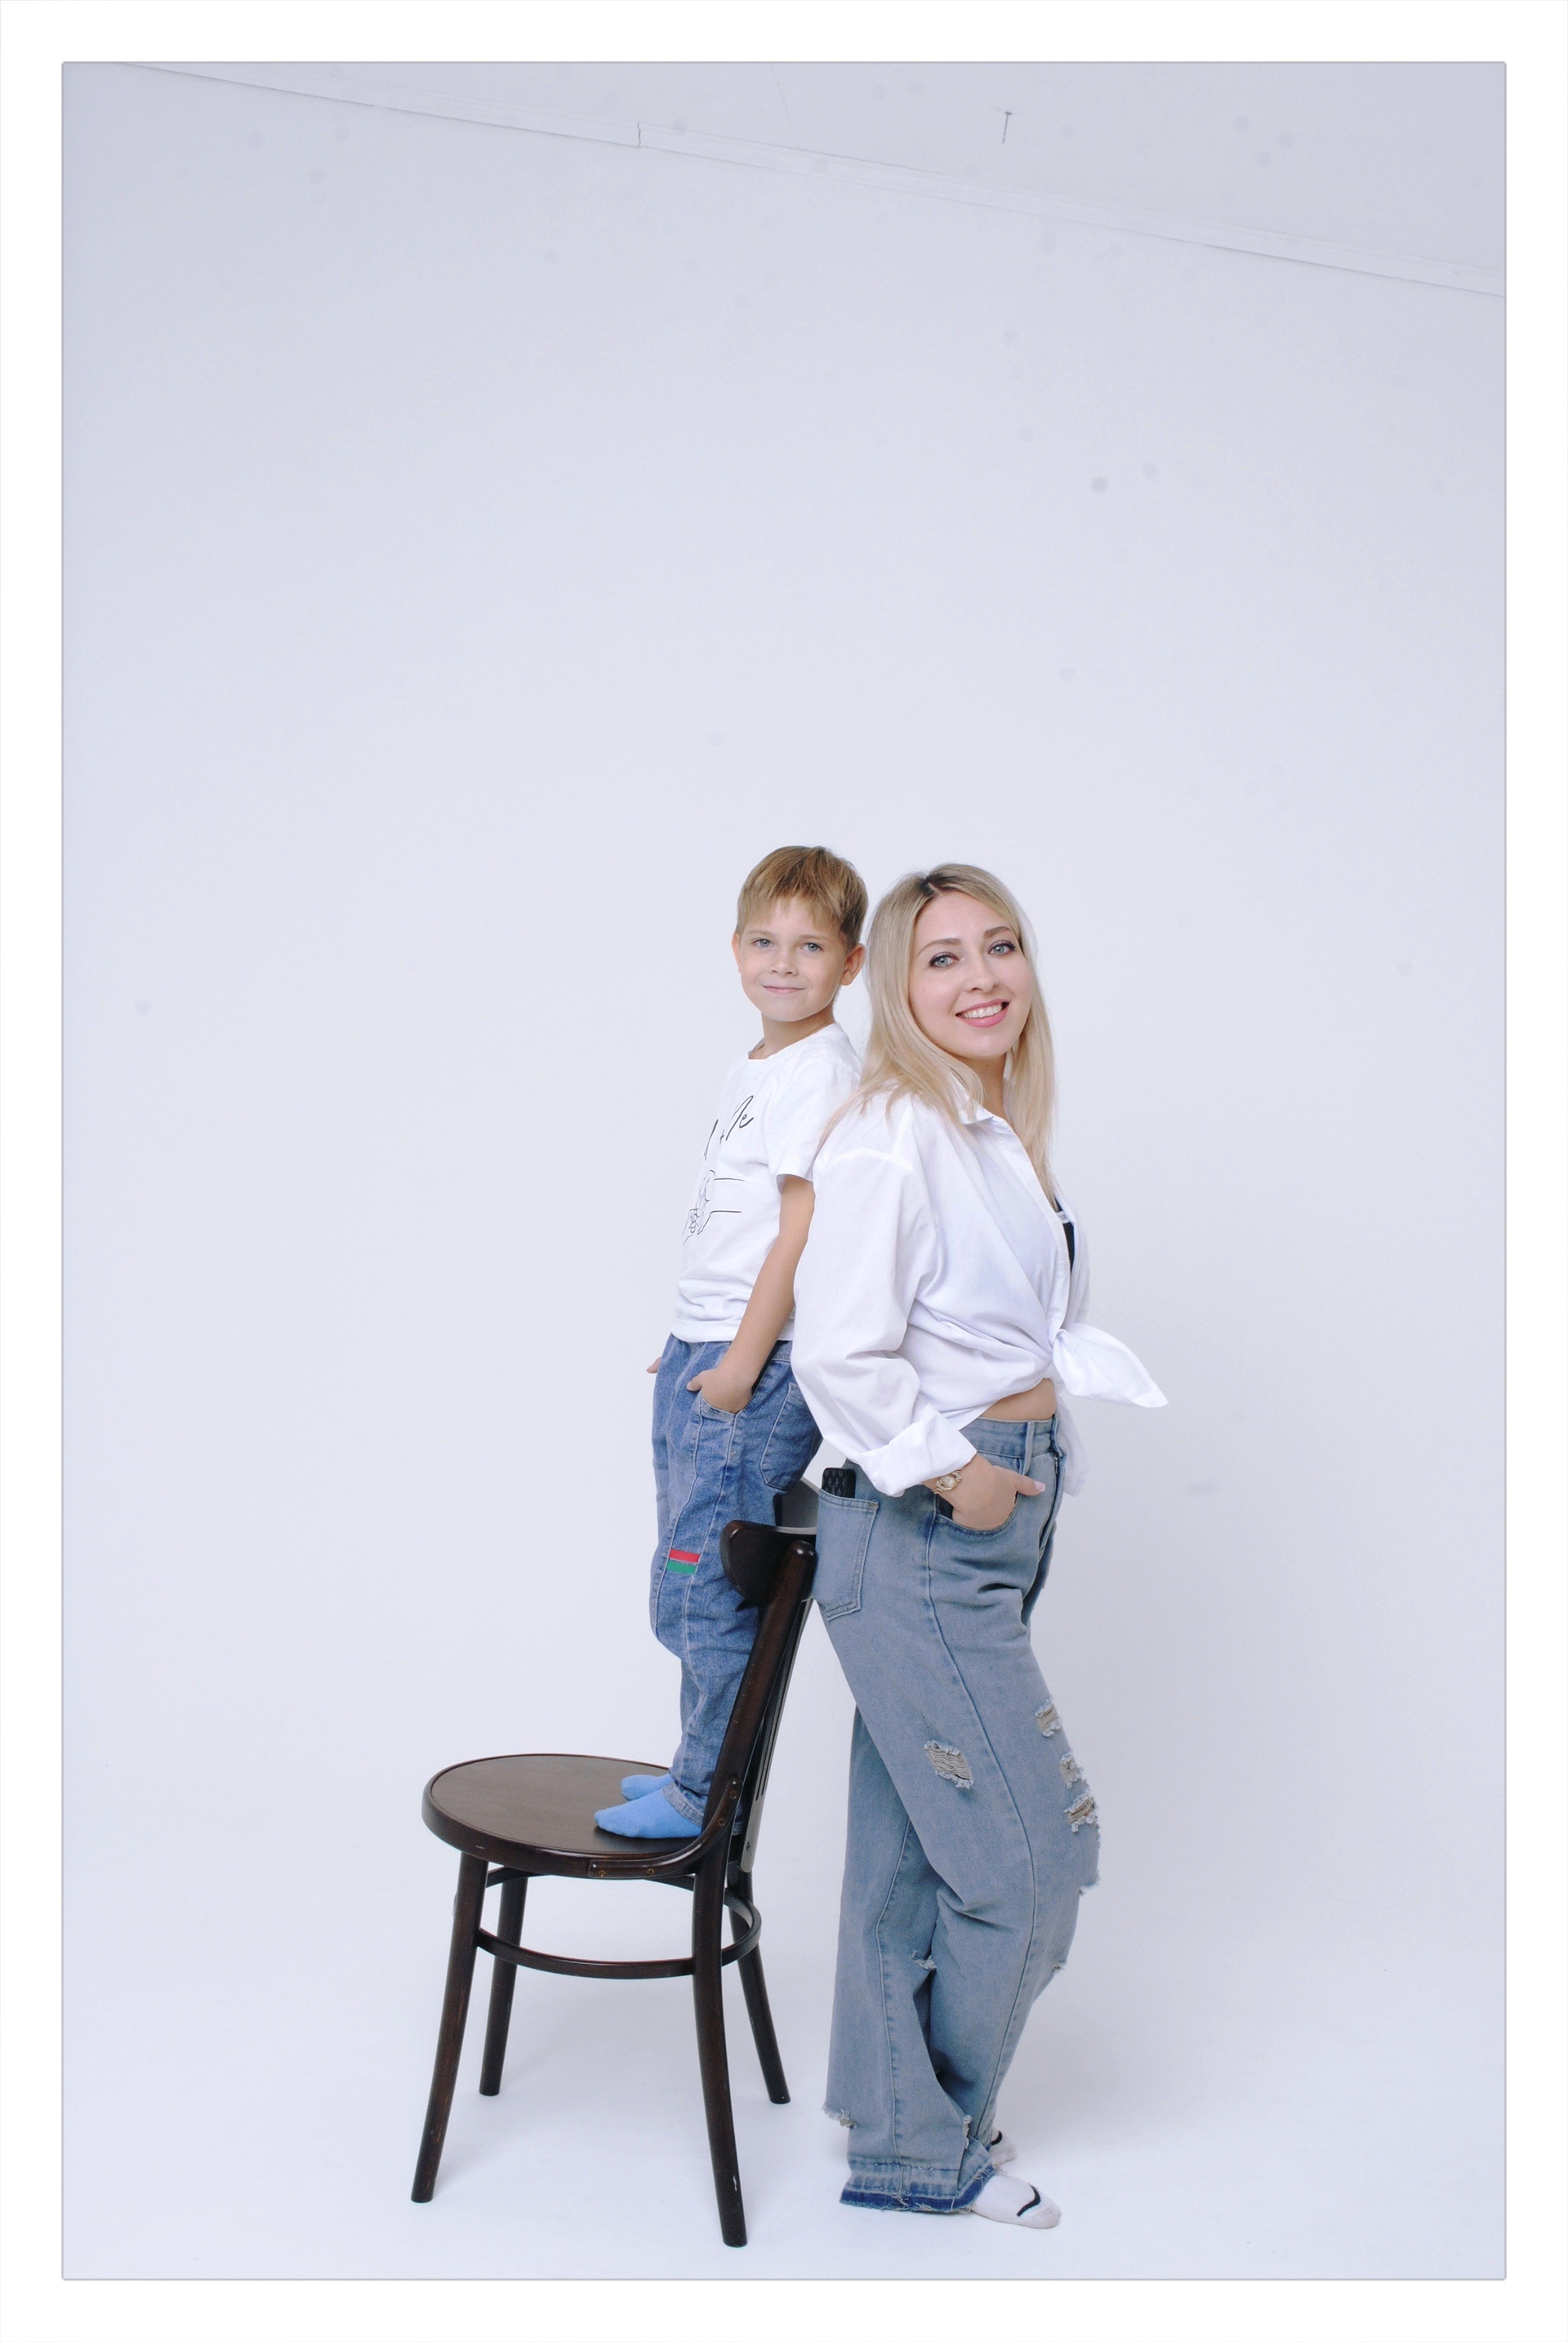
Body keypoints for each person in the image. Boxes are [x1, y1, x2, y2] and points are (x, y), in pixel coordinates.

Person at [791, 863, 1165, 2229]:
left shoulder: (987, 1129)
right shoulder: (892, 1132)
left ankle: (904, 2142)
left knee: (914, 1855)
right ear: (897, 984)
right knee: (1035, 1853)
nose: (981, 977)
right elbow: (839, 1350)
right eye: (941, 957)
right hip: (925, 1526)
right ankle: (930, 2134)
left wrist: (1021, 1475)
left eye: (999, 946)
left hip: (987, 1518)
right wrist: (963, 1476)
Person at [594, 845, 867, 1841]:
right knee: (682, 1568)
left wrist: (744, 1360)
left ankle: (706, 1792)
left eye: (810, 946)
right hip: (707, 1344)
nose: (783, 963)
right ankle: (692, 1769)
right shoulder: (757, 1064)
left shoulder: (819, 1072)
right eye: (764, 941)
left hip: (755, 1361)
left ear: (851, 962)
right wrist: (691, 1338)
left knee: (707, 1577)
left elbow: (801, 1230)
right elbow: (732, 1225)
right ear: (737, 947)